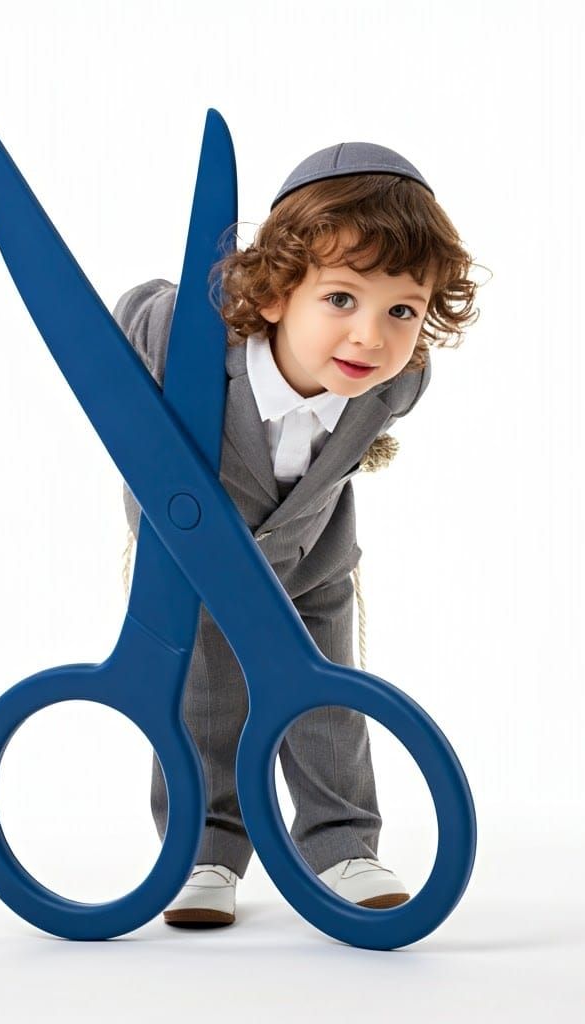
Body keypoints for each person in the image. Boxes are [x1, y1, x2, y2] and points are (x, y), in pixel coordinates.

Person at [114, 141, 482, 927]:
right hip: (193, 564)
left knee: (328, 704)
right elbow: (135, 311)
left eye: (402, 311)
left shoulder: (399, 385)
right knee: (203, 701)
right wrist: (180, 322)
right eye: (342, 299)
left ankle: (343, 844)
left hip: (312, 565)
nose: (371, 339)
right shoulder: (194, 344)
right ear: (278, 293)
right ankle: (200, 852)